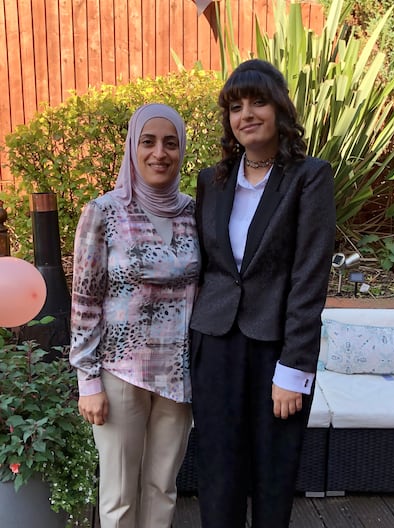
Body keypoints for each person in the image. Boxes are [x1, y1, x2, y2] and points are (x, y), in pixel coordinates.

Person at [190, 59, 336, 528]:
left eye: (258, 102)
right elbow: (206, 269)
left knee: (273, 476)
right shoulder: (212, 180)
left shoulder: (309, 176)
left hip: (275, 348)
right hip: (214, 342)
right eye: (235, 106)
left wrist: (294, 368)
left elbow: (309, 277)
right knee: (218, 473)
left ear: (279, 109)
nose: (246, 114)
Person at [70, 103, 200, 528]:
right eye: (148, 141)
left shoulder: (194, 213)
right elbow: (85, 300)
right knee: (119, 495)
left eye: (170, 143)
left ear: (182, 150)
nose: (159, 153)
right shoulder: (104, 212)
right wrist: (87, 380)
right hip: (121, 373)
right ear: (132, 147)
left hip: (179, 378)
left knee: (162, 489)